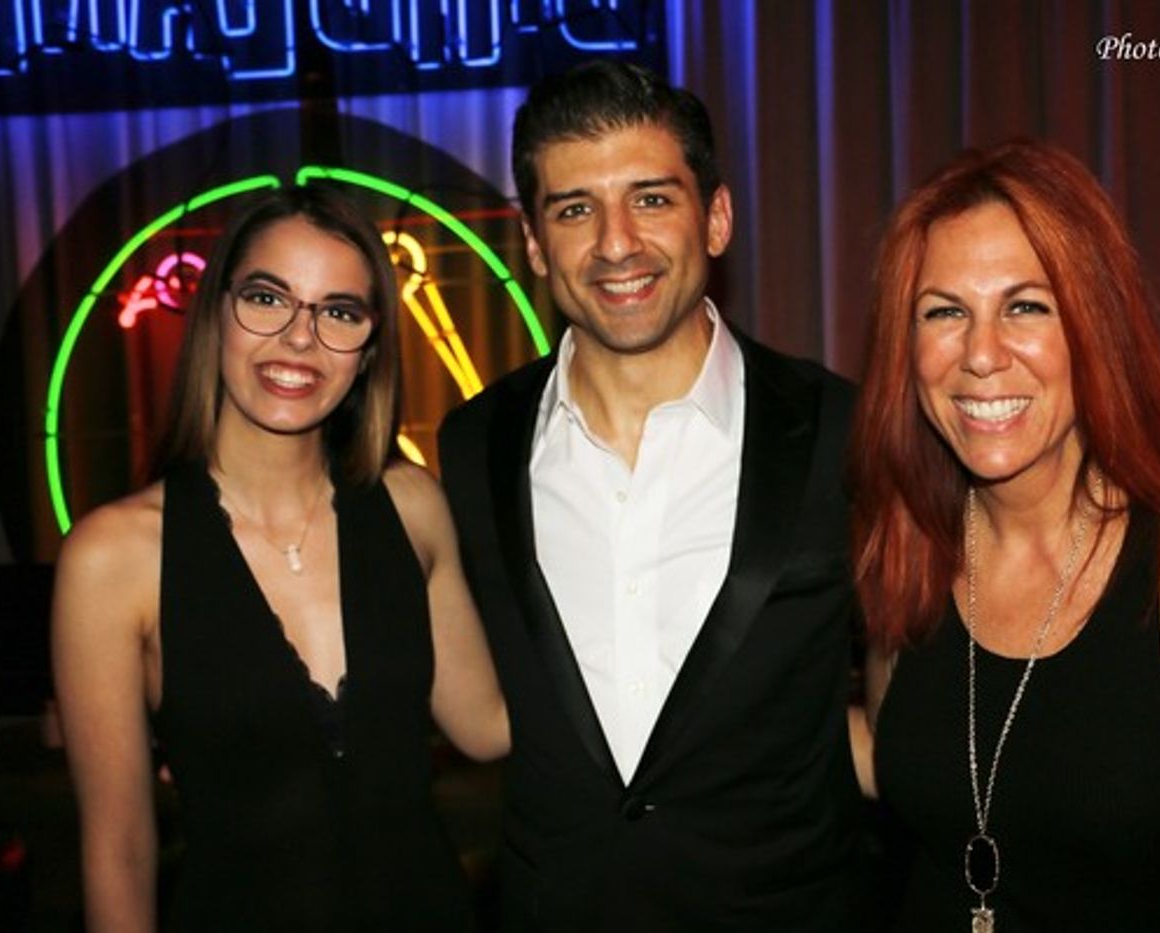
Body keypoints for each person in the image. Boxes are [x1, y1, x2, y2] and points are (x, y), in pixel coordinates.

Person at [850, 139, 1160, 931]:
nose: (981, 355)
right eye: (944, 311)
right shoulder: (912, 550)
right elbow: (904, 760)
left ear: (1094, 327)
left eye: (1026, 305)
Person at [436, 61, 869, 931]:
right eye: (574, 209)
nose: (616, 243)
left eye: (652, 198)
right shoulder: (473, 444)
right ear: (531, 242)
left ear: (716, 218)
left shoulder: (844, 432)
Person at [51, 185, 509, 932]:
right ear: (216, 317)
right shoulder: (113, 558)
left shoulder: (412, 505)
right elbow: (119, 847)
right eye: (268, 298)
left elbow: (487, 723)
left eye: (338, 311)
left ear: (367, 352)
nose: (300, 337)